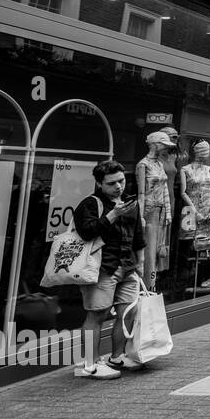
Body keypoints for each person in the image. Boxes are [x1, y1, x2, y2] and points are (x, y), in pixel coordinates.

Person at [73, 161, 145, 379]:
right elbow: (86, 233)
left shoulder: (130, 202)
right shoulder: (90, 204)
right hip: (102, 269)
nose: (118, 187)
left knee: (128, 312)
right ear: (99, 183)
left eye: (121, 181)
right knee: (97, 314)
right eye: (112, 183)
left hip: (128, 267)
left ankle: (116, 356)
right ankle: (90, 364)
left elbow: (138, 236)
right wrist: (113, 214)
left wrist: (139, 264)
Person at [136, 131, 174, 288]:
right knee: (149, 253)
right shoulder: (143, 165)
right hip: (149, 212)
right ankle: (148, 287)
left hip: (161, 211)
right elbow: (141, 193)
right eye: (163, 145)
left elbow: (164, 188)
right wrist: (141, 216)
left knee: (158, 251)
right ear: (154, 145)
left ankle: (153, 285)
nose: (165, 149)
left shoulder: (159, 164)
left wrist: (168, 212)